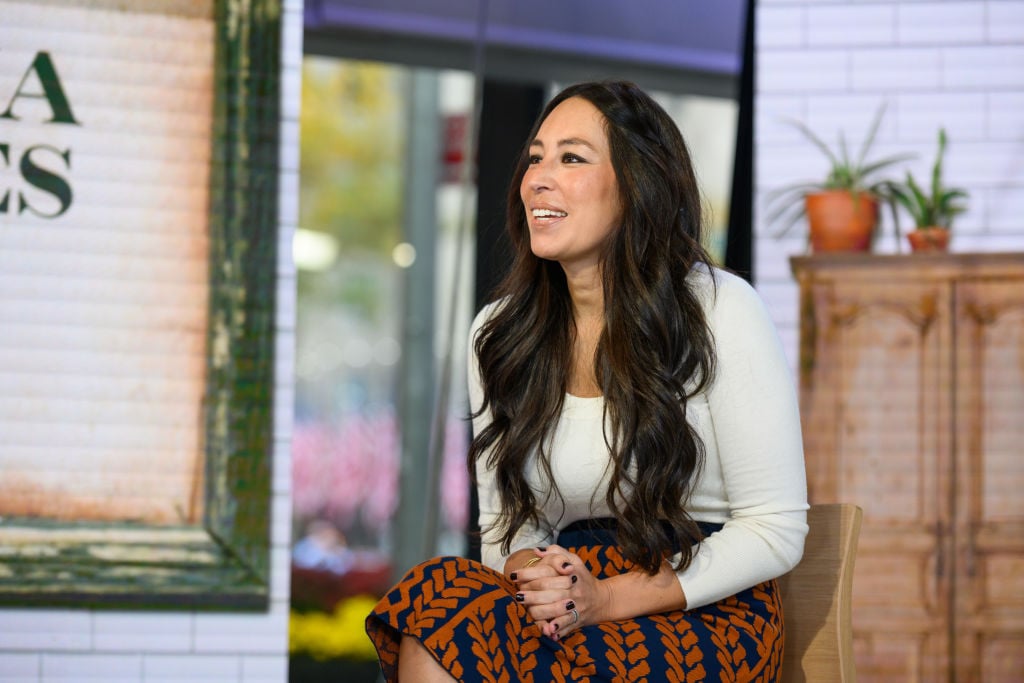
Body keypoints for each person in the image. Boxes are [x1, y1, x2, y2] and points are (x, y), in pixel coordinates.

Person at [366, 80, 808, 682]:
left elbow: (775, 529)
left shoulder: (720, 309)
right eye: (535, 158)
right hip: (567, 600)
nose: (537, 179)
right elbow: (507, 528)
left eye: (572, 158)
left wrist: (604, 598)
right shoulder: (499, 333)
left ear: (637, 184)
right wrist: (537, 574)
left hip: (701, 604)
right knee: (434, 597)